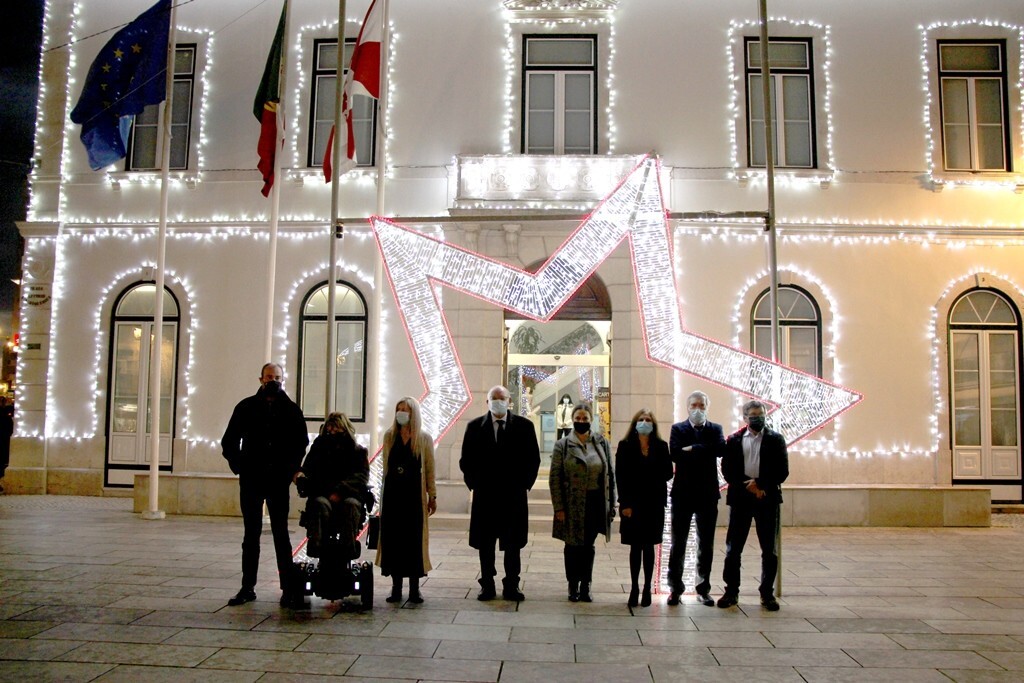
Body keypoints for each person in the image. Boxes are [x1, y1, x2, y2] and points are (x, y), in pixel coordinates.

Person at [222, 363, 309, 608]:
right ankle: (247, 586)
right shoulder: (246, 407)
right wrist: (241, 466)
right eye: (269, 377)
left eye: (277, 377)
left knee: (281, 535)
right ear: (261, 379)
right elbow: (229, 441)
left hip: (277, 481)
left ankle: (287, 588)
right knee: (251, 535)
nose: (273, 380)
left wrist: (290, 469)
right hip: (252, 479)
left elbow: (300, 443)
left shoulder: (291, 410)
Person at [460, 385, 540, 601]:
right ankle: (487, 584)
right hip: (485, 496)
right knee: (485, 544)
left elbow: (533, 459)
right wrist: (474, 484)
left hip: (513, 496)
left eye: (502, 398)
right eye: (494, 398)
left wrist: (524, 484)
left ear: (509, 401)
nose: (498, 402)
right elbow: (466, 461)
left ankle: (512, 585)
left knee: (513, 545)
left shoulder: (524, 426)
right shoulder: (475, 427)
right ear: (487, 402)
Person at [718, 399, 789, 611]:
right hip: (741, 498)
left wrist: (760, 484)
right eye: (753, 415)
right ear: (745, 418)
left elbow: (782, 470)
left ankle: (767, 594)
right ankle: (731, 592)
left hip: (767, 498)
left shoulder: (776, 439)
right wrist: (747, 486)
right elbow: (727, 469)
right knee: (733, 549)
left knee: (769, 549)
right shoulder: (734, 440)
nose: (757, 418)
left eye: (761, 414)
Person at [550, 402, 616, 602]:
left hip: (595, 502)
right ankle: (573, 584)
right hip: (572, 503)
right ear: (572, 420)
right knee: (572, 545)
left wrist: (612, 503)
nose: (581, 422)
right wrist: (559, 507)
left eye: (585, 419)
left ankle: (586, 584)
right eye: (577, 418)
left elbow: (610, 475)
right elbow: (555, 477)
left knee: (588, 545)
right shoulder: (563, 445)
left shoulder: (601, 442)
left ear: (591, 420)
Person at [667, 390, 726, 606]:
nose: (698, 409)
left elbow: (721, 450)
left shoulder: (715, 429)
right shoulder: (678, 429)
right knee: (678, 543)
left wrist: (693, 448)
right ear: (687, 407)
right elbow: (675, 453)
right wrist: (703, 451)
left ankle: (703, 588)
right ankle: (675, 588)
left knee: (706, 544)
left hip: (707, 494)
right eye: (694, 405)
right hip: (682, 494)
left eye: (701, 405)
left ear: (707, 407)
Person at [376, 396, 436, 604]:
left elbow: (429, 468)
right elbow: (385, 467)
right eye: (398, 408)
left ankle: (414, 589)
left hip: (413, 497)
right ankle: (395, 587)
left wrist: (432, 495)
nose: (401, 412)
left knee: (413, 541)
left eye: (406, 409)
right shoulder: (389, 436)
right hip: (394, 496)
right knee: (394, 541)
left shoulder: (424, 439)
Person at [614, 409, 672, 607]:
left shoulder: (661, 446)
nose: (644, 422)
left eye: (648, 420)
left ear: (653, 424)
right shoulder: (625, 445)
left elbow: (667, 473)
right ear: (635, 423)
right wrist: (625, 504)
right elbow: (620, 476)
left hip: (654, 503)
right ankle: (634, 587)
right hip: (633, 503)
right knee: (635, 547)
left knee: (649, 546)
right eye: (641, 419)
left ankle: (647, 587)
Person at [294, 412, 369, 560]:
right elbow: (309, 471)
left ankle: (348, 548)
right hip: (323, 493)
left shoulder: (357, 451)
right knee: (319, 504)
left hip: (348, 494)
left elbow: (361, 477)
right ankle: (317, 545)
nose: (332, 430)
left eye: (336, 427)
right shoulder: (318, 449)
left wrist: (340, 491)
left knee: (351, 505)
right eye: (330, 426)